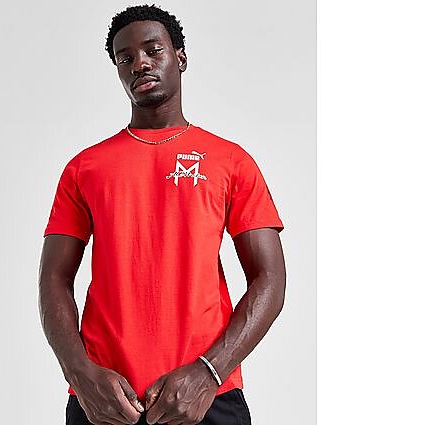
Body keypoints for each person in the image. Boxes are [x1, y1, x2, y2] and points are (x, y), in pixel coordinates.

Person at [38, 4, 286, 425]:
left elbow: (270, 278)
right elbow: (53, 279)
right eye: (125, 58)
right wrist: (79, 374)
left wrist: (209, 372)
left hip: (207, 396)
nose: (140, 63)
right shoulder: (84, 168)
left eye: (153, 50)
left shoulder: (231, 161)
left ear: (180, 58)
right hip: (105, 400)